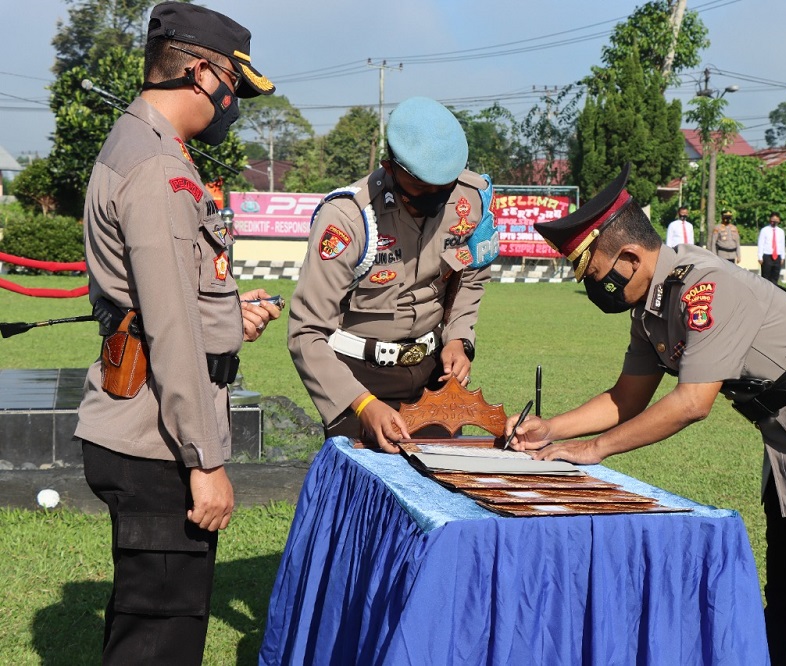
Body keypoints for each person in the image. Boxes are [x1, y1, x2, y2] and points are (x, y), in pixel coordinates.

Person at [508, 163, 786, 666]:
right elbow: (627, 397)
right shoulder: (649, 306)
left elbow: (693, 403)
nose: (593, 290)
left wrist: (593, 450)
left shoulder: (705, 287)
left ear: (629, 256)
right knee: (782, 601)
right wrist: (552, 430)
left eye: (595, 276)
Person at [74, 3, 281, 663]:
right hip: (159, 442)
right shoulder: (159, 172)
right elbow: (166, 325)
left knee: (148, 622)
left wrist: (226, 317)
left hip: (143, 424)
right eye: (234, 89)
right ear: (201, 73)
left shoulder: (146, 146)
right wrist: (207, 463)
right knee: (161, 635)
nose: (234, 106)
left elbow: (171, 297)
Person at [288, 96, 497, 452]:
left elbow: (472, 275)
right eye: (420, 188)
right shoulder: (348, 219)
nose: (433, 198)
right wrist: (363, 404)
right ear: (390, 166)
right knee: (363, 497)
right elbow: (306, 333)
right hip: (358, 377)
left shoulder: (470, 199)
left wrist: (459, 339)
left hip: (433, 375)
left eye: (442, 188)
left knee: (439, 493)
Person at [758, 211, 786, 283]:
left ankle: (774, 292)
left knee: (775, 277)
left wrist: (783, 257)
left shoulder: (781, 231)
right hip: (767, 256)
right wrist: (760, 257)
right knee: (766, 277)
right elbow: (761, 243)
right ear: (770, 220)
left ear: (779, 220)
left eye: (776, 220)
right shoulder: (764, 230)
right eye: (773, 219)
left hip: (777, 256)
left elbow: (782, 244)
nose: (774, 221)